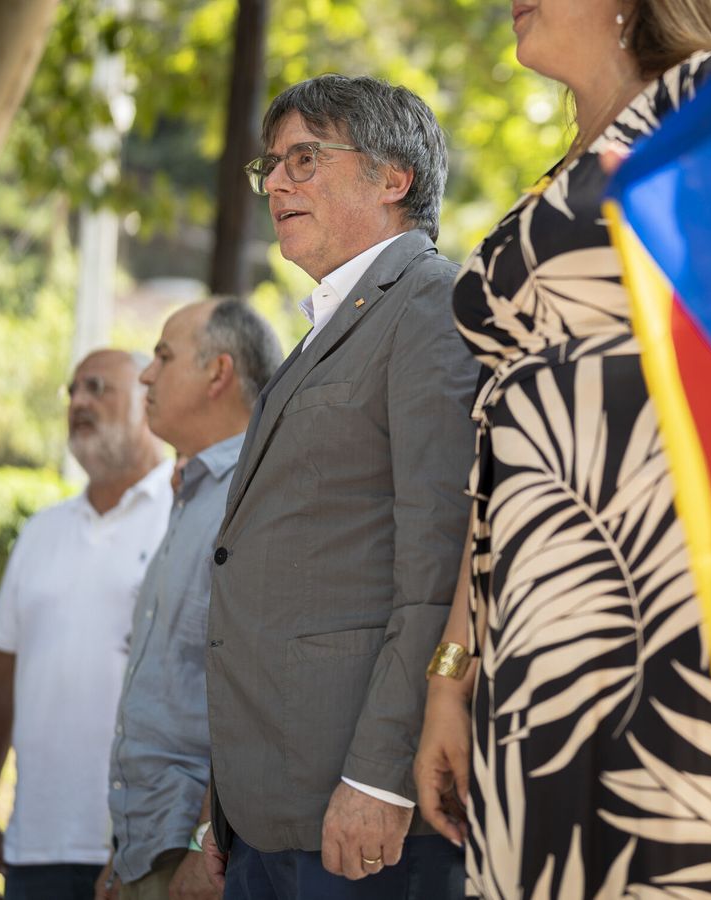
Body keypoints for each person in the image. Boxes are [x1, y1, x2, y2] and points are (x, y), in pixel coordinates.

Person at [414, 1, 711, 897]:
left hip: (669, 606)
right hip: (531, 624)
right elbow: (501, 454)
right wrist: (451, 675)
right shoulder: (551, 178)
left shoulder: (708, 100)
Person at [201, 74, 477, 899]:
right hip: (274, 809)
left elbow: (437, 563)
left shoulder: (428, 303)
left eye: (306, 158)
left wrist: (382, 777)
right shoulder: (338, 317)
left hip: (362, 814)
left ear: (393, 179)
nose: (278, 181)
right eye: (272, 166)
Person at [0, 350, 171, 900]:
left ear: (147, 400)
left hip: (147, 849)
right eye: (73, 390)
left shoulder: (189, 513)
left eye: (98, 387)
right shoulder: (41, 531)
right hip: (34, 849)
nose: (79, 401)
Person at [95, 300, 282, 900]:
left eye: (163, 356)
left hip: (198, 859)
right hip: (151, 851)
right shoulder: (195, 490)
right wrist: (127, 858)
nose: (146, 375)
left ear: (218, 373)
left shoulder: (251, 495)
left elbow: (250, 691)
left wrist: (208, 844)